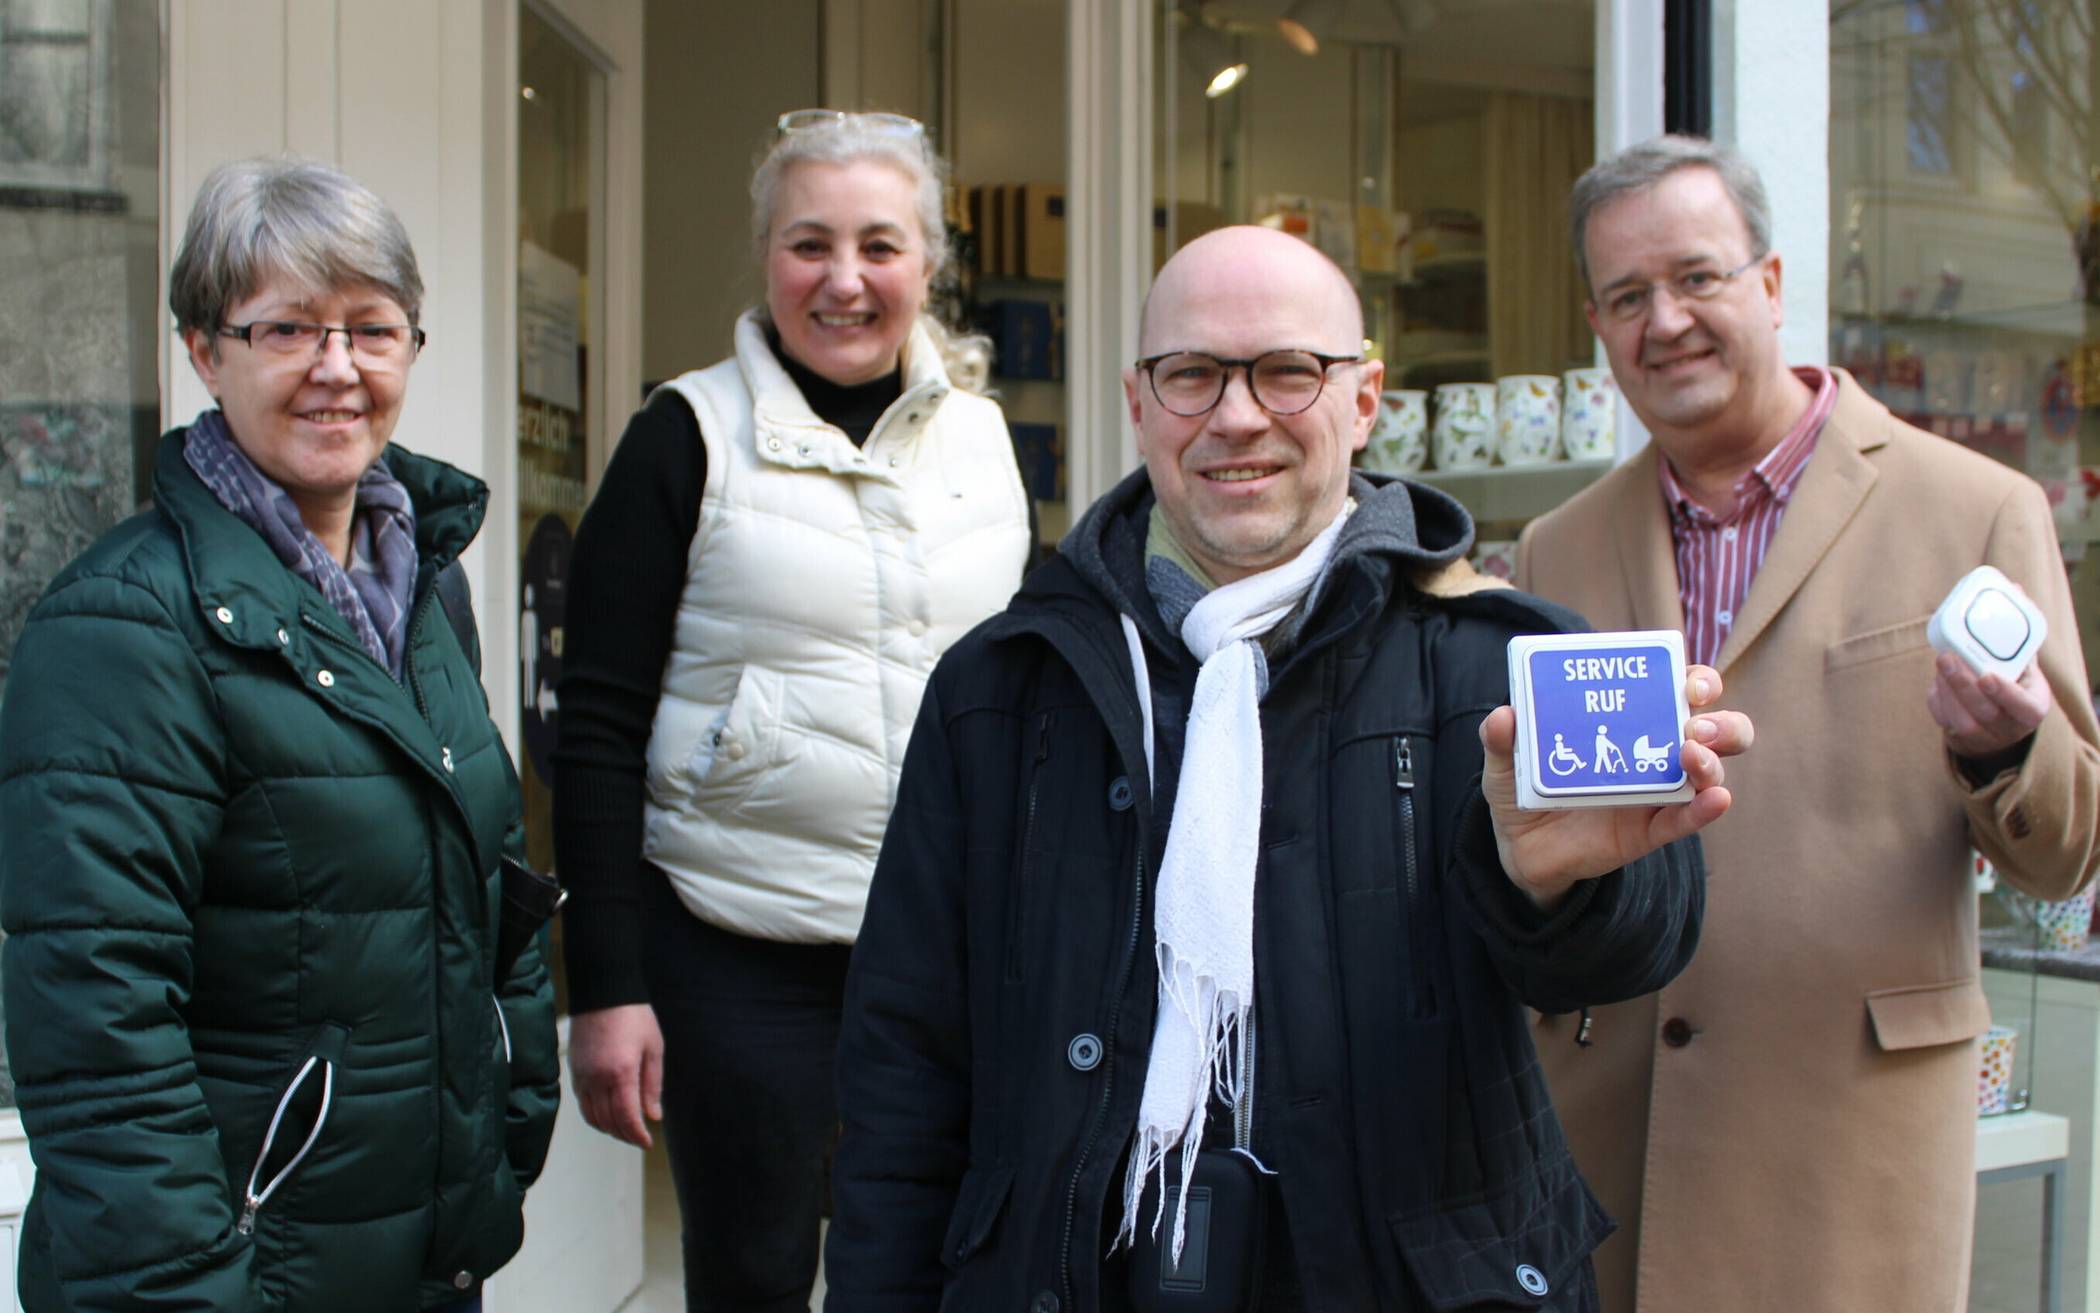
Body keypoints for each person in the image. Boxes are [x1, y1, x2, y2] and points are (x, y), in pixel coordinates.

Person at [824, 225, 1752, 1312]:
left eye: (1288, 371)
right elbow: (903, 1058)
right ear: (1138, 402)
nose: (1236, 414)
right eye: (1193, 375)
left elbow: (1633, 938)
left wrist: (1552, 880)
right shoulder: (1003, 688)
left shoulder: (1497, 661)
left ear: (1363, 402)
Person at [1516, 135, 2100, 1312]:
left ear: (1772, 285)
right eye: (1628, 297)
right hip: (1613, 1145)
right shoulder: (1555, 549)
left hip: (1849, 1144)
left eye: (1696, 278)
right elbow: (1546, 839)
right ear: (1597, 323)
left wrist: (2001, 747)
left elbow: (2069, 844)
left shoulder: (1973, 506)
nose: (1665, 320)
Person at [0, 156, 557, 1312]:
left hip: (416, 1258)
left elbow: (488, 896)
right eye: (288, 328)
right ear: (205, 350)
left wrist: (506, 1122)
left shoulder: (425, 594)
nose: (338, 368)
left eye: (373, 328)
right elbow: (96, 1017)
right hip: (231, 1278)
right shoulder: (126, 624)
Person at [552, 108, 1031, 1312]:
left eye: (879, 244)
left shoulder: (981, 439)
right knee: (755, 1274)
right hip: (739, 950)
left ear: (929, 260)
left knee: (943, 1260)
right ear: (767, 257)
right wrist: (603, 984)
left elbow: (1023, 696)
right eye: (809, 243)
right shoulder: (681, 437)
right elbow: (595, 727)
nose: (845, 279)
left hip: (949, 949)